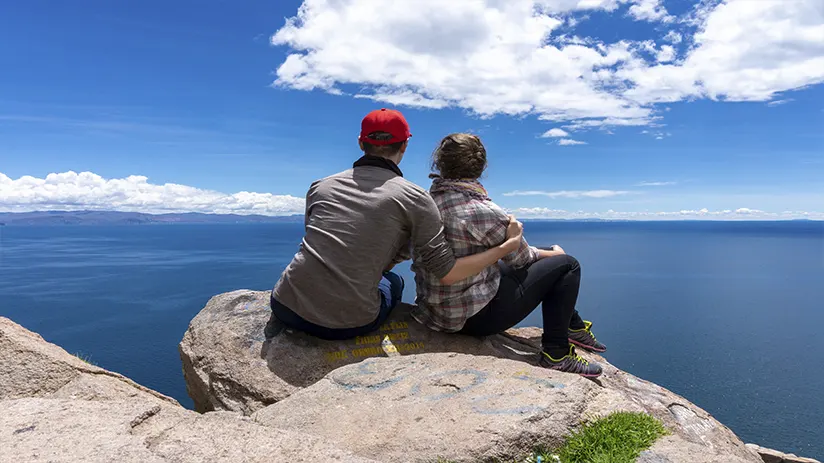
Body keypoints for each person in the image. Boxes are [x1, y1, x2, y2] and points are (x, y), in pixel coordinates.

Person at [266, 110, 524, 341]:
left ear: (360, 142)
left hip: (285, 304)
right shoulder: (413, 197)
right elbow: (446, 271)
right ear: (405, 145)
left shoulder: (320, 186)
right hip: (346, 324)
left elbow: (323, 244)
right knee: (395, 282)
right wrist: (508, 246)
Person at [411, 133, 607, 377]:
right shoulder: (484, 211)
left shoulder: (425, 204)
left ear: (440, 164)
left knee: (545, 259)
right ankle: (557, 353)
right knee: (567, 265)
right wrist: (556, 254)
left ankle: (574, 326)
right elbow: (521, 259)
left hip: (434, 312)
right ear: (481, 167)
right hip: (473, 319)